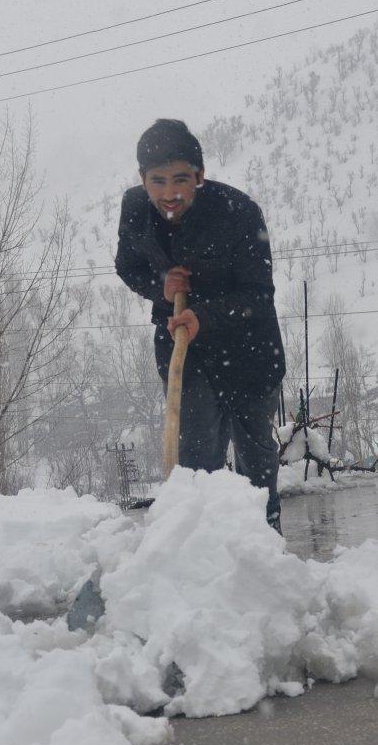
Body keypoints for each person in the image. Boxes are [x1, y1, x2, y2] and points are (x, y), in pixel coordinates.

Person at [114, 119, 286, 532]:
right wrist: (160, 285)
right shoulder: (135, 208)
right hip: (185, 356)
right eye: (157, 181)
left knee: (256, 464)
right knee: (196, 464)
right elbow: (127, 265)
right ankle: (202, 552)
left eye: (181, 179)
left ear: (200, 176)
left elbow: (258, 293)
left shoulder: (238, 212)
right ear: (143, 180)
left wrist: (203, 316)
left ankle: (265, 548)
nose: (169, 193)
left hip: (249, 353)